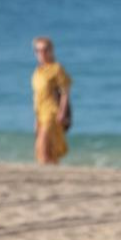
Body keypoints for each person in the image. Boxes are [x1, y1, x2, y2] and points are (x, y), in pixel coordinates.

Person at [31, 36, 72, 165]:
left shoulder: (56, 68)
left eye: (45, 50)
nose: (41, 53)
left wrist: (62, 112)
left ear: (51, 50)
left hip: (52, 112)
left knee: (43, 143)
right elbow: (38, 96)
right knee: (45, 149)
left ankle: (45, 175)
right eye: (38, 50)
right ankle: (53, 175)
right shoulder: (37, 72)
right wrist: (36, 118)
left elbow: (65, 92)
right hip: (40, 113)